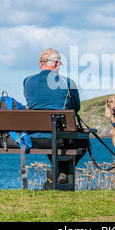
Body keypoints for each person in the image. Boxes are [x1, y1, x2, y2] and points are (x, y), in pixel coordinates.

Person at [23, 48, 86, 187]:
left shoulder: (27, 81)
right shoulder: (68, 82)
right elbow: (76, 107)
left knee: (51, 139)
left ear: (40, 63)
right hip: (59, 139)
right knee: (84, 143)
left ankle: (57, 174)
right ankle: (60, 172)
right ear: (57, 64)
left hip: (35, 138)